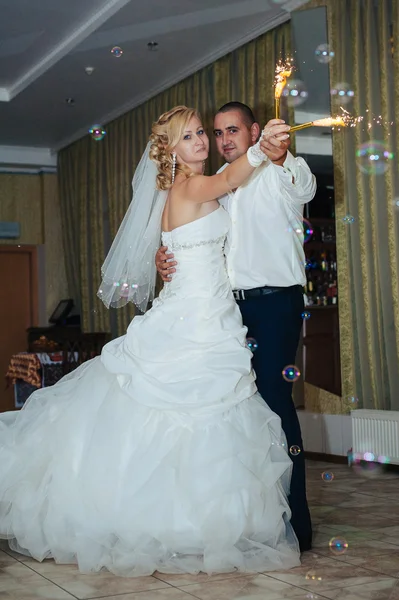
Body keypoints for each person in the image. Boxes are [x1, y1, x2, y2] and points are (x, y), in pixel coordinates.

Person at [0, 105, 300, 577]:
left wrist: (168, 258)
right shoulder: (195, 185)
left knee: (197, 415)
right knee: (192, 414)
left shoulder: (176, 192)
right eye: (188, 137)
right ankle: (182, 521)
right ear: (170, 150)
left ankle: (191, 520)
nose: (201, 141)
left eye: (202, 132)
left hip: (206, 310)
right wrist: (265, 148)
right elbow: (226, 184)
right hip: (197, 319)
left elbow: (204, 231)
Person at [156, 102, 316, 552]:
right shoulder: (216, 185)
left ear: (254, 131)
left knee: (274, 404)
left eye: (232, 131)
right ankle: (250, 513)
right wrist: (164, 256)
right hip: (227, 312)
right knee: (236, 413)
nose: (222, 139)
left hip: (274, 305)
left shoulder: (275, 173)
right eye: (215, 132)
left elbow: (304, 186)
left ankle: (296, 523)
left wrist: (281, 157)